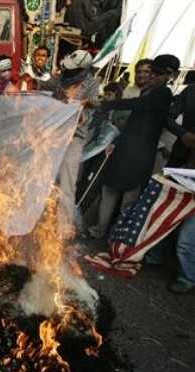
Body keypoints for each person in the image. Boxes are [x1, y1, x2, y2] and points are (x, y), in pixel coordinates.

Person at [85, 54, 180, 239]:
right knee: (109, 190)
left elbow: (136, 105)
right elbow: (132, 123)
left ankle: (119, 238)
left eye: (158, 74)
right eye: (152, 72)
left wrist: (103, 104)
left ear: (169, 76)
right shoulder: (148, 92)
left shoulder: (163, 94)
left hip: (139, 156)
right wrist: (116, 143)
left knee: (129, 198)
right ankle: (101, 231)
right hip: (126, 150)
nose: (152, 76)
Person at [53, 50, 99, 236]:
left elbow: (93, 108)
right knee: (45, 179)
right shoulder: (61, 79)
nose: (69, 72)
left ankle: (63, 229)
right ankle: (42, 223)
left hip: (74, 138)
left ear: (83, 70)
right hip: (54, 136)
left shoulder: (91, 84)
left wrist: (81, 104)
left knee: (67, 185)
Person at [165, 83, 195, 293]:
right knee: (167, 211)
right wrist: (183, 133)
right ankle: (157, 254)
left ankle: (187, 276)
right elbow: (169, 117)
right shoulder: (191, 90)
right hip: (181, 161)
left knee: (187, 236)